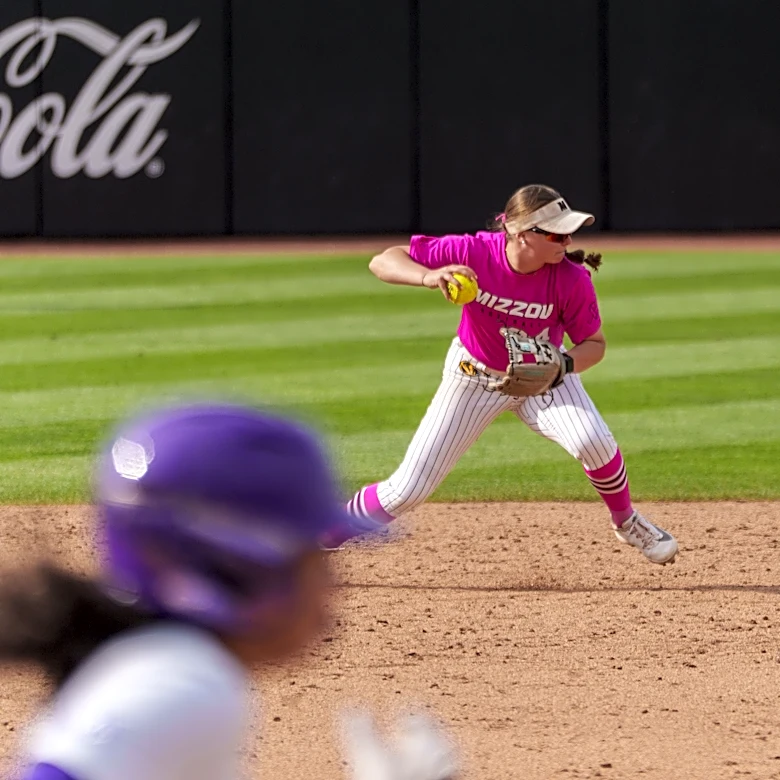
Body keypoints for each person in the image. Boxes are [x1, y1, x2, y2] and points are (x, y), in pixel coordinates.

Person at [0, 402, 457, 780]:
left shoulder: (167, 666)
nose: (332, 584)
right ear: (237, 568)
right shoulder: (181, 685)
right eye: (313, 559)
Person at [331, 184, 678, 565]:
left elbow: (594, 345)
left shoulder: (571, 279)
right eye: (555, 233)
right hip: (474, 377)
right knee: (407, 491)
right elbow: (383, 261)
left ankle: (626, 520)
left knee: (592, 440)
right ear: (519, 232)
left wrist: (562, 366)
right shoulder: (473, 252)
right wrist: (429, 277)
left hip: (544, 378)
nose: (566, 240)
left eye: (569, 232)